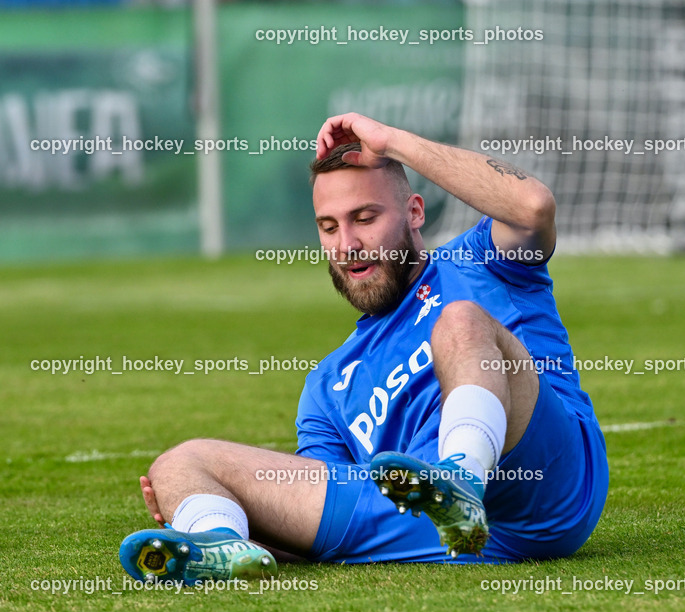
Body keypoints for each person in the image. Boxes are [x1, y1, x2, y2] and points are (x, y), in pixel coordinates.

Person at [119, 113, 608, 584]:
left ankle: (461, 477)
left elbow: (533, 206)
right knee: (180, 464)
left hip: (544, 482)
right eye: (329, 227)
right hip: (426, 527)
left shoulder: (481, 260)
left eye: (365, 217)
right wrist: (224, 514)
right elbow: (323, 518)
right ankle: (220, 547)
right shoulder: (328, 385)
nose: (348, 243)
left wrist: (390, 141)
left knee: (458, 321)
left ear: (415, 212)